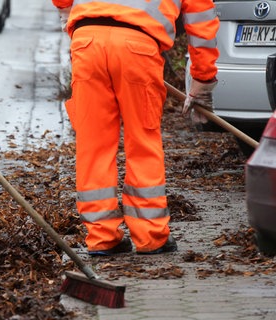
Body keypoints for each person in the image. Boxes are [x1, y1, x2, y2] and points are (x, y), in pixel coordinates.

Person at [52, 1, 219, 255]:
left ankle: (102, 238)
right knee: (143, 142)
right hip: (138, 45)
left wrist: (65, 9)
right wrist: (203, 77)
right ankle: (150, 236)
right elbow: (201, 18)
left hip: (88, 42)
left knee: (92, 146)